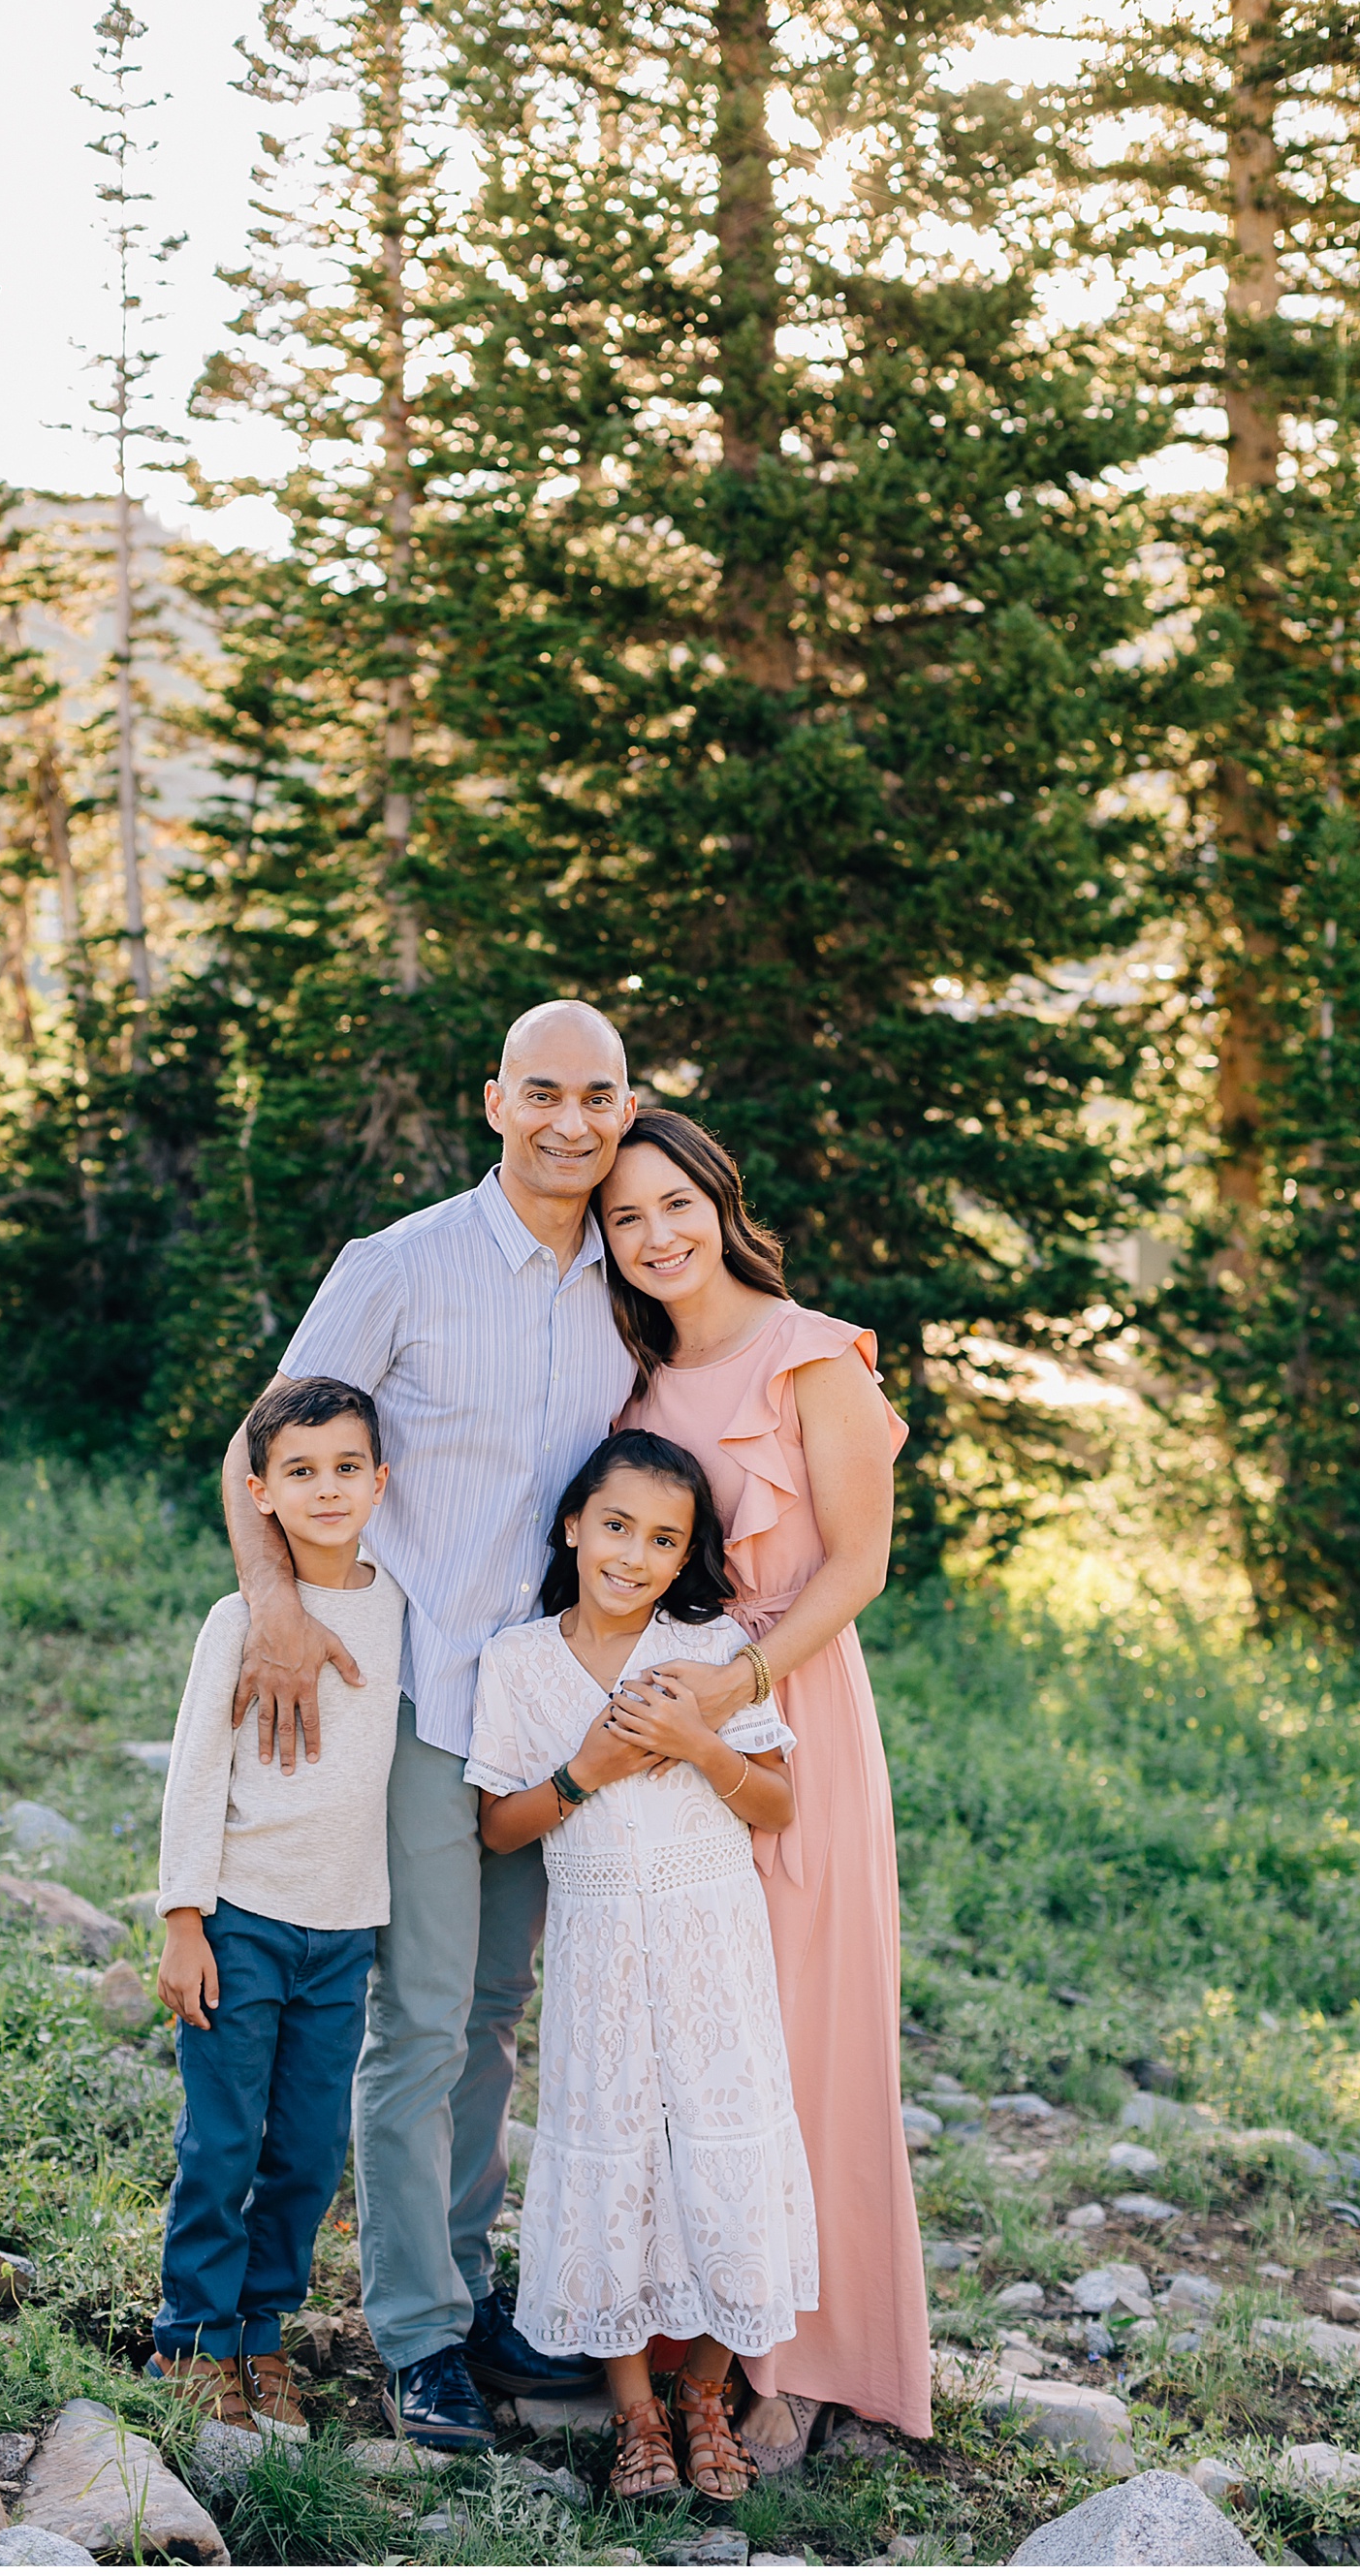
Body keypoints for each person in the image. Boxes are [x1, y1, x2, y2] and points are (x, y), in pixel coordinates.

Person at [217, 1002, 669, 2450]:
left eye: (596, 1097)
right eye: (541, 1093)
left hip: (551, 1706)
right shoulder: (398, 1262)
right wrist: (277, 1608)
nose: (568, 1122)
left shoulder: (633, 1287)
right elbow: (258, 1441)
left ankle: (466, 2295)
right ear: (493, 1100)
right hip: (415, 1691)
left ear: (625, 1105)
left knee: (487, 2016)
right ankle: (413, 2336)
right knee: (417, 2017)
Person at [597, 1107, 933, 2462]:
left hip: (796, 1711)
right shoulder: (631, 1382)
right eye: (626, 1218)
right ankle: (679, 2337)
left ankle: (799, 2353)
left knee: (802, 2021)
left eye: (674, 1201)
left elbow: (855, 1565)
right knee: (686, 2029)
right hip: (667, 1737)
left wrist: (736, 1682)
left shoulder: (814, 1356)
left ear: (719, 1199)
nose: (657, 1234)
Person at [466, 1431, 815, 2502]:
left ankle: (706, 2393)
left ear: (683, 1558)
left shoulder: (707, 1645)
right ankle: (633, 2413)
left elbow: (776, 1800)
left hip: (713, 1939)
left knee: (724, 2147)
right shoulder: (519, 1662)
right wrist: (591, 1767)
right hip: (600, 1944)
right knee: (610, 2145)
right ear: (573, 1524)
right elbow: (497, 1825)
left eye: (663, 1538)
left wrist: (701, 1741)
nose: (634, 1552)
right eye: (616, 1525)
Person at [151, 1374, 405, 2433]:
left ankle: (264, 2335)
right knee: (222, 2140)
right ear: (260, 1490)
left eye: (347, 1466)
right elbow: (195, 1766)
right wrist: (182, 1918)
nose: (328, 1487)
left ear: (382, 1480)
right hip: (242, 1919)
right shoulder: (242, 1619)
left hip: (343, 1930)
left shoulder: (398, 1607)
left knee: (305, 2148)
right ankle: (194, 2338)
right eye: (300, 1470)